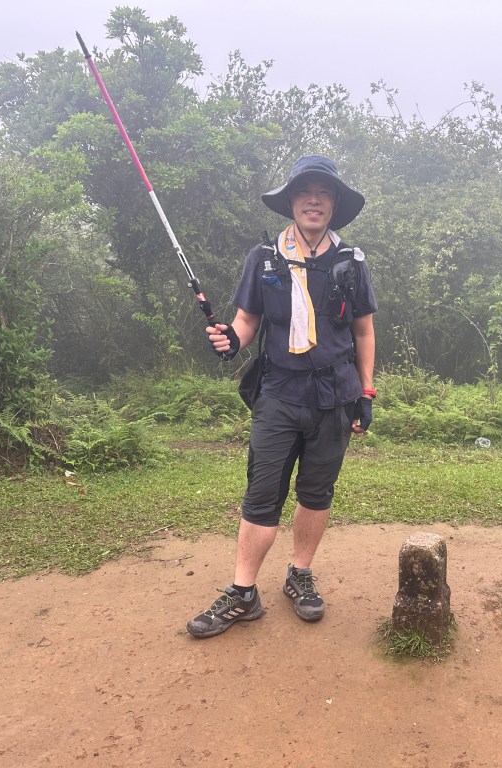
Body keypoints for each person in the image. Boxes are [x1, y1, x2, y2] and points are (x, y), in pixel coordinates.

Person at [187, 154, 377, 639]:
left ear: (334, 204)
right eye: (305, 192)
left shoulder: (351, 263)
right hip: (278, 393)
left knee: (317, 492)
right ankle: (242, 593)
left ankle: (300, 574)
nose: (314, 200)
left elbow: (363, 332)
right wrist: (231, 339)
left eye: (324, 192)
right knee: (261, 493)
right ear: (291, 201)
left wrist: (366, 393)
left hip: (335, 396)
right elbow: (246, 320)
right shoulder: (264, 258)